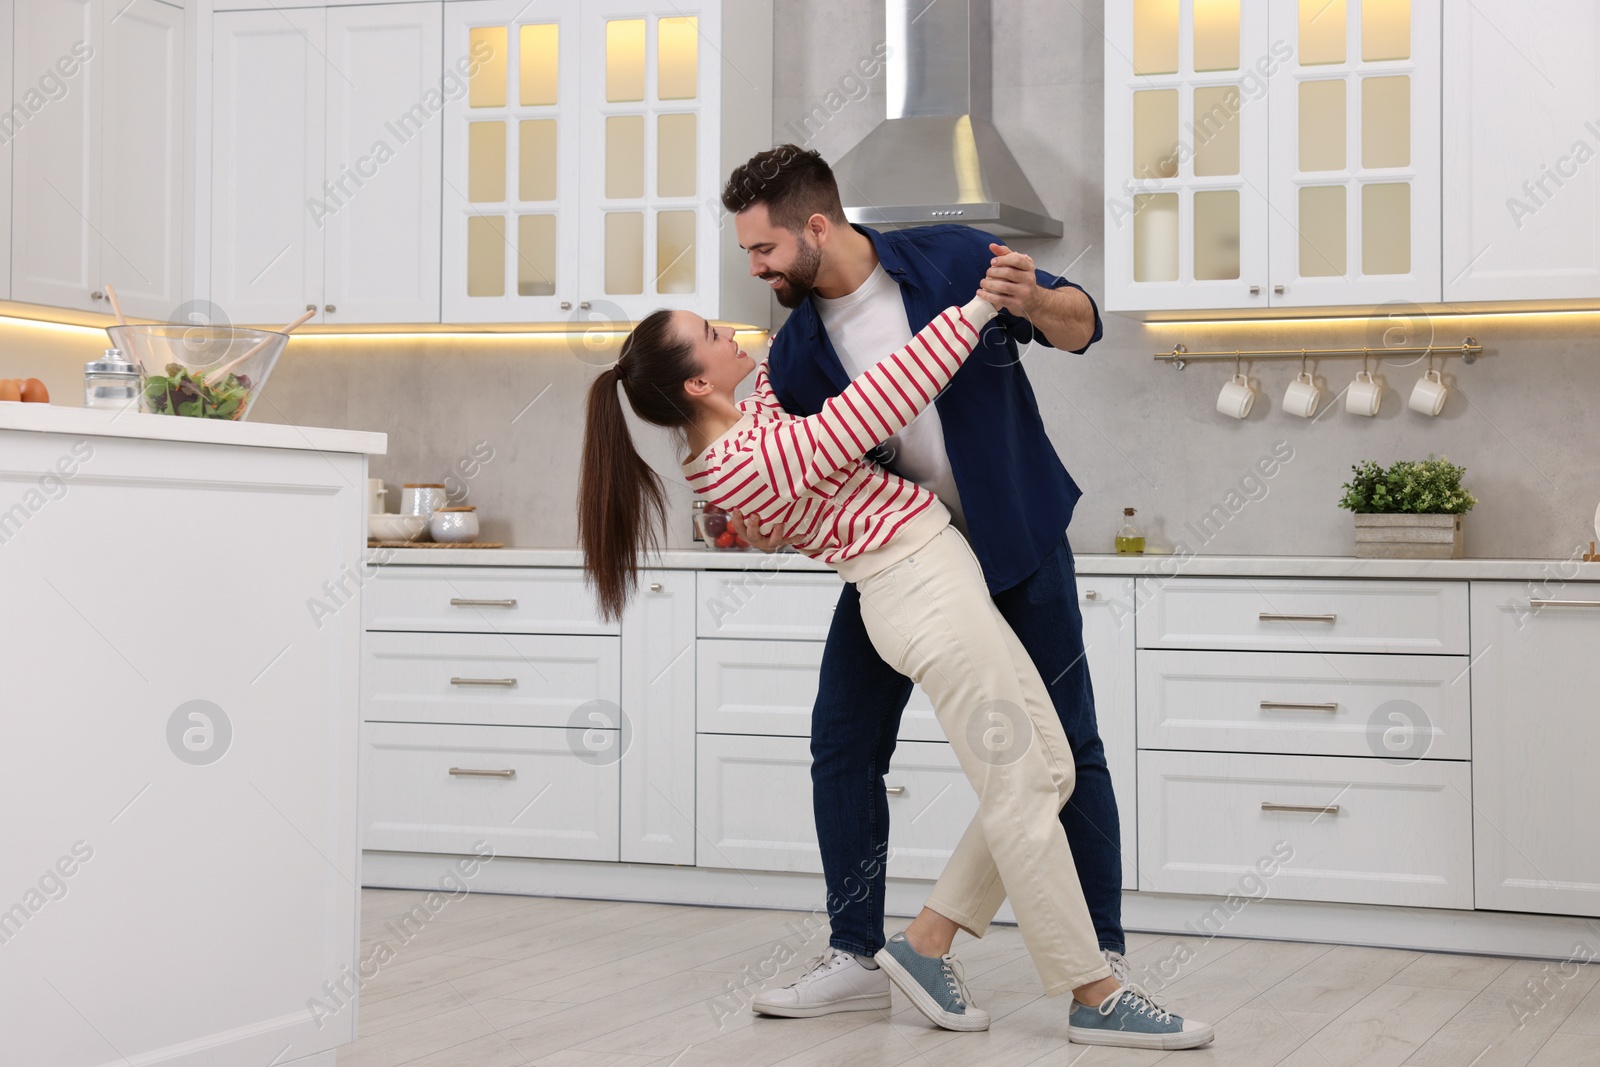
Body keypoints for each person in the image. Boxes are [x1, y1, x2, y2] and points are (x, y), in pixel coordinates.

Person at [577, 286, 1214, 1050]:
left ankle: (927, 939)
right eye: (712, 334)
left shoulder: (750, 428)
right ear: (696, 384)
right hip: (918, 589)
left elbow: (780, 378)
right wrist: (978, 309)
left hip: (936, 574)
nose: (731, 332)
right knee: (1018, 776)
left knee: (1050, 768)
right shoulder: (746, 459)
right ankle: (1094, 992)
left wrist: (808, 287)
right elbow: (878, 402)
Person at [720, 146, 1142, 1019]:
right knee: (842, 737)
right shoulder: (795, 354)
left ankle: (1100, 949)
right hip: (902, 558)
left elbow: (1083, 325)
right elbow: (801, 479)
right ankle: (858, 953)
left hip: (1019, 539)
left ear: (817, 226)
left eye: (762, 250)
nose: (755, 269)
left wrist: (1037, 299)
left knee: (1069, 742)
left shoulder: (951, 261)